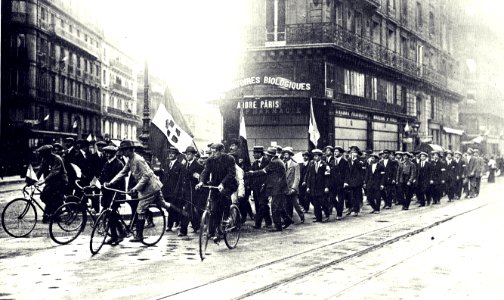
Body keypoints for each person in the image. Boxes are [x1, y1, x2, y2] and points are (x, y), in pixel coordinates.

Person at [106, 140, 171, 242]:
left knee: (140, 209)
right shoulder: (130, 160)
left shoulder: (138, 160)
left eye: (125, 150)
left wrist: (135, 188)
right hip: (148, 187)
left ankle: (139, 236)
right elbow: (122, 172)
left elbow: (146, 176)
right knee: (164, 204)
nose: (123, 153)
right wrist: (111, 183)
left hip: (150, 187)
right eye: (122, 150)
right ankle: (180, 213)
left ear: (131, 150)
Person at [196, 143, 238, 240]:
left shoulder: (229, 159)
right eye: (212, 152)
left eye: (215, 152)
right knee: (214, 208)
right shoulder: (210, 160)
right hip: (216, 184)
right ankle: (215, 230)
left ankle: (227, 217)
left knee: (224, 195)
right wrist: (201, 182)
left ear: (221, 151)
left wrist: (223, 184)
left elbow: (231, 173)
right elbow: (205, 171)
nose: (213, 154)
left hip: (229, 184)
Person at [245, 146, 292, 232]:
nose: (266, 156)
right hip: (280, 188)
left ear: (271, 156)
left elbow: (264, 171)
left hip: (278, 189)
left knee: (274, 207)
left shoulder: (274, 162)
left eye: (268, 155)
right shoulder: (278, 161)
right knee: (279, 206)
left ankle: (278, 227)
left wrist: (251, 173)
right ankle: (288, 220)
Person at [99, 146, 126, 245]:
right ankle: (120, 233)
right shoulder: (107, 163)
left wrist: (120, 194)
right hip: (107, 193)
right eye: (106, 152)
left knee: (112, 216)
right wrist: (98, 182)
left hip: (115, 193)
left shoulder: (119, 164)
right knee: (110, 215)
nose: (107, 154)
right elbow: (102, 176)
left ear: (114, 153)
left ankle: (116, 236)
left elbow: (121, 181)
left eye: (109, 153)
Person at [35, 145, 68, 223]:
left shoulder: (57, 159)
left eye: (42, 153)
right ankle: (52, 213)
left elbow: (54, 172)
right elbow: (40, 170)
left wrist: (43, 181)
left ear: (47, 153)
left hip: (60, 181)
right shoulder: (45, 159)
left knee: (50, 195)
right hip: (51, 182)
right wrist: (32, 180)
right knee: (44, 196)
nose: (41, 155)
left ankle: (52, 214)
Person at [179, 146, 205, 237]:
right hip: (186, 191)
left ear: (193, 155)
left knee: (190, 209)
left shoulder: (198, 166)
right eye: (186, 154)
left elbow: (202, 178)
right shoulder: (184, 165)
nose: (187, 156)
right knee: (189, 209)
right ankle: (195, 226)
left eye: (189, 154)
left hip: (194, 192)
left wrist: (197, 177)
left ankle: (184, 230)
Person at [249, 146, 273, 229]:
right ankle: (268, 222)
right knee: (259, 205)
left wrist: (265, 184)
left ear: (259, 153)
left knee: (262, 204)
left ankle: (257, 223)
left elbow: (269, 175)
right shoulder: (255, 163)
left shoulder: (267, 161)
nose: (254, 155)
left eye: (255, 153)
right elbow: (252, 175)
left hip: (265, 187)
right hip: (256, 188)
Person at [304, 149, 330, 222]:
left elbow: (327, 177)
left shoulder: (325, 165)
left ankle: (327, 214)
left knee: (323, 202)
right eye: (314, 156)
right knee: (316, 203)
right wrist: (308, 186)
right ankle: (319, 218)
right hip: (313, 187)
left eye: (316, 156)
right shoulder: (311, 164)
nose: (315, 157)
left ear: (320, 156)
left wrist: (326, 187)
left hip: (321, 187)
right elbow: (309, 176)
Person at [162, 147, 183, 232]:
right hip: (167, 191)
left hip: (175, 191)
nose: (170, 154)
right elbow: (164, 178)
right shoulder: (167, 165)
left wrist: (177, 191)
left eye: (173, 153)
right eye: (169, 153)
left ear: (176, 155)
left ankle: (170, 225)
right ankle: (176, 221)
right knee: (169, 208)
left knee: (172, 208)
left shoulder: (180, 166)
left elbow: (180, 180)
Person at [282, 147, 305, 224]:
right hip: (285, 187)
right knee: (286, 204)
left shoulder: (295, 165)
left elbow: (297, 177)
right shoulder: (283, 164)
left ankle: (302, 216)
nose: (285, 155)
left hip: (292, 188)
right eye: (284, 154)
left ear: (290, 155)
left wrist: (294, 188)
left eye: (287, 154)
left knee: (295, 204)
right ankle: (289, 218)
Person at [327, 146, 349, 220]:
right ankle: (339, 209)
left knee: (340, 199)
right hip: (333, 183)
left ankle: (339, 214)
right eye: (334, 151)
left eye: (336, 151)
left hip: (341, 183)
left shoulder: (344, 162)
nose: (335, 153)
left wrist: (345, 182)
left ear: (341, 153)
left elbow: (347, 173)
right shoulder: (332, 162)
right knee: (332, 198)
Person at [344, 146, 365, 216]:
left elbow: (360, 167)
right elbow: (347, 171)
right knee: (350, 196)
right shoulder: (348, 160)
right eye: (351, 152)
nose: (353, 153)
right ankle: (350, 208)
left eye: (354, 152)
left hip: (358, 180)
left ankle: (356, 210)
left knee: (357, 195)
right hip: (350, 180)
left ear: (357, 153)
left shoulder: (360, 159)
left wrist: (355, 160)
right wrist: (346, 181)